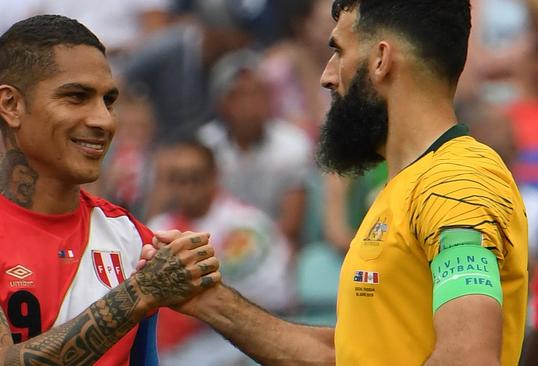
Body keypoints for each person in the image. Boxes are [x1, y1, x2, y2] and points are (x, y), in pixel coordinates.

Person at [154, 1, 528, 365]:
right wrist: (207, 299)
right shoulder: (404, 187)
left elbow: (467, 357)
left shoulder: (455, 182)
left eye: (339, 51)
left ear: (381, 60)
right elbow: (342, 356)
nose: (327, 75)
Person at [0, 15, 220, 365]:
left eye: (108, 101)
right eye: (77, 97)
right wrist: (139, 294)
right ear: (11, 105)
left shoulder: (130, 236)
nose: (104, 120)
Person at [147, 140, 293, 365]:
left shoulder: (246, 225)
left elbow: (275, 293)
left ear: (214, 176)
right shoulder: (159, 227)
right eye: (178, 179)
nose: (187, 187)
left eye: (195, 177)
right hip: (170, 346)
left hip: (228, 341)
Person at [198, 49, 313, 246]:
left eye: (257, 92)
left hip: (274, 249)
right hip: (214, 246)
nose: (249, 103)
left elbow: (291, 225)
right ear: (221, 103)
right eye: (238, 95)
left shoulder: (292, 144)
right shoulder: (204, 145)